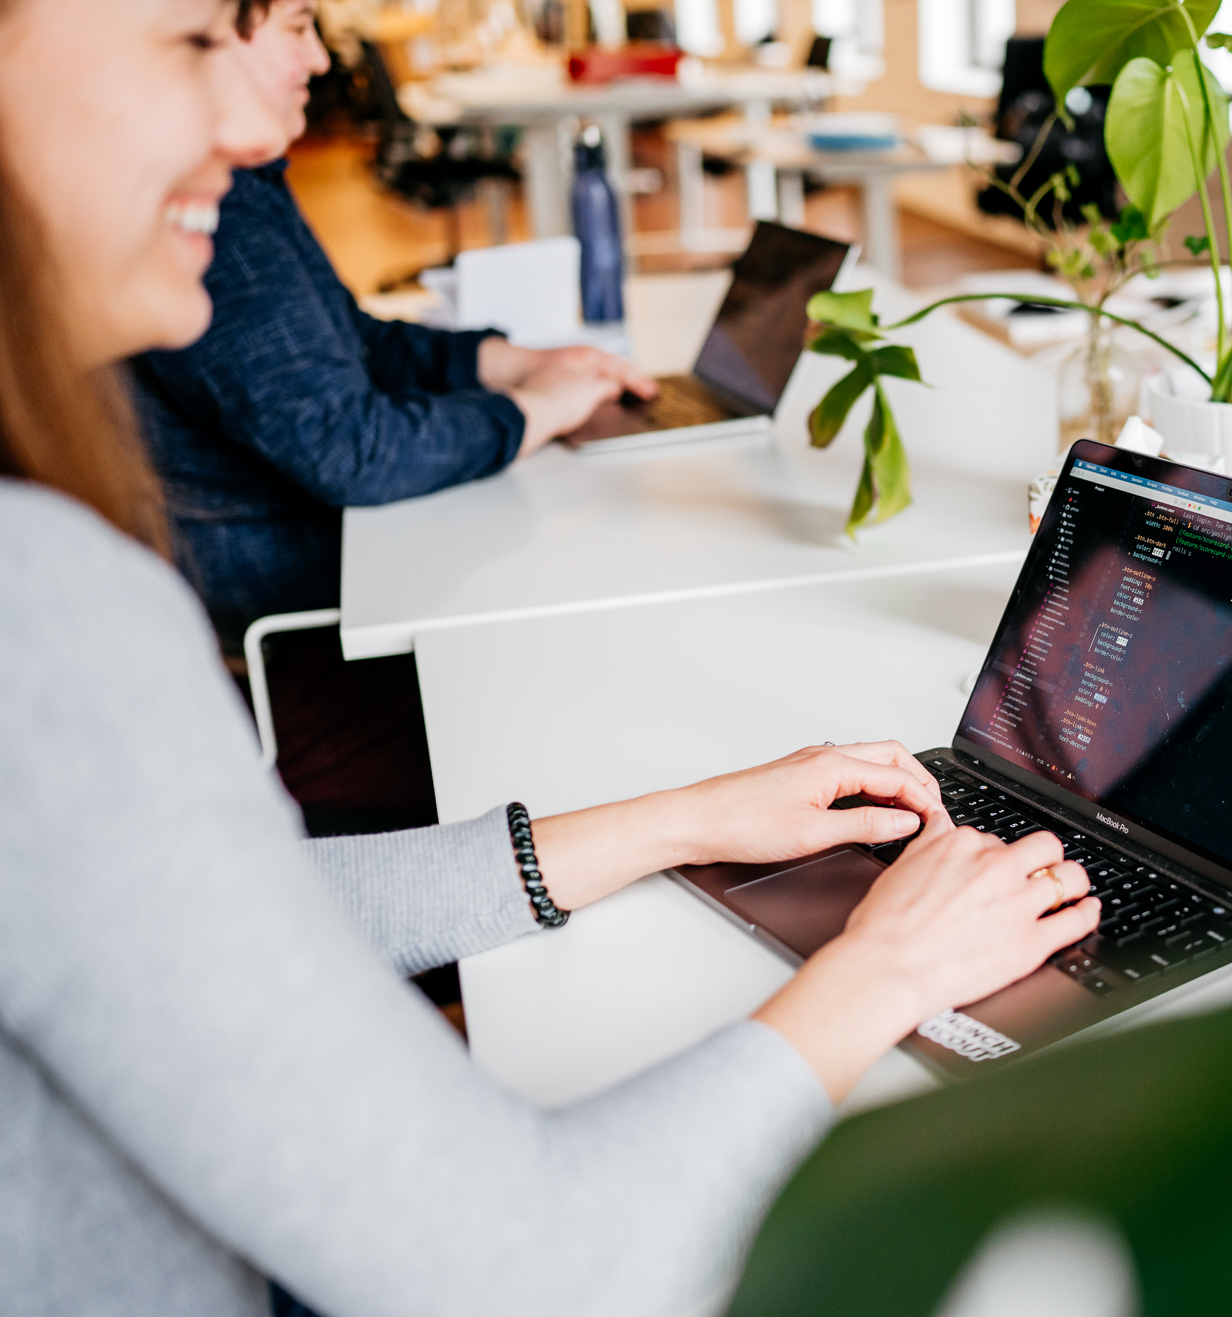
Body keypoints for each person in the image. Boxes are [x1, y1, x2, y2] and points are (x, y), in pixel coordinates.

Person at [0, 2, 1101, 1314]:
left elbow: (233, 920)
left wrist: (680, 819)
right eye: (193, 42)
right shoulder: (48, 611)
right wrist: (885, 970)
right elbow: (539, 1269)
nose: (251, 125)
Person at [127, 0, 654, 831]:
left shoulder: (247, 188)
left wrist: (502, 362)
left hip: (310, 587)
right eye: (298, 27)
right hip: (291, 625)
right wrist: (530, 411)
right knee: (598, 652)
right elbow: (356, 452)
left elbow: (348, 342)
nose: (322, 60)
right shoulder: (216, 211)